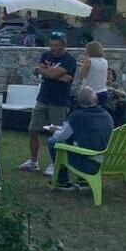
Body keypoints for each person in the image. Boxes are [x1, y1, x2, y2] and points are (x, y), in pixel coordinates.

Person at [19, 33, 76, 176]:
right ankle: (33, 161)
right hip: (42, 99)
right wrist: (52, 74)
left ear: (64, 45)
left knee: (57, 134)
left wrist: (47, 72)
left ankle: (55, 163)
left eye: (56, 45)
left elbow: (52, 75)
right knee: (33, 129)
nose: (53, 48)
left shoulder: (69, 60)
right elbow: (40, 71)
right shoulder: (46, 55)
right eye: (51, 45)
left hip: (59, 102)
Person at [47, 86, 114, 191]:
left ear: (79, 101)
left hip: (88, 163)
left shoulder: (77, 116)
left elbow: (59, 137)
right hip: (107, 160)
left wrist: (54, 130)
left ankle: (62, 181)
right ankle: (83, 180)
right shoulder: (107, 115)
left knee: (52, 141)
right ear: (95, 100)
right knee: (75, 139)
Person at [75, 41, 108, 108]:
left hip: (89, 92)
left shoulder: (89, 61)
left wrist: (82, 65)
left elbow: (81, 75)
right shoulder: (105, 61)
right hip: (103, 91)